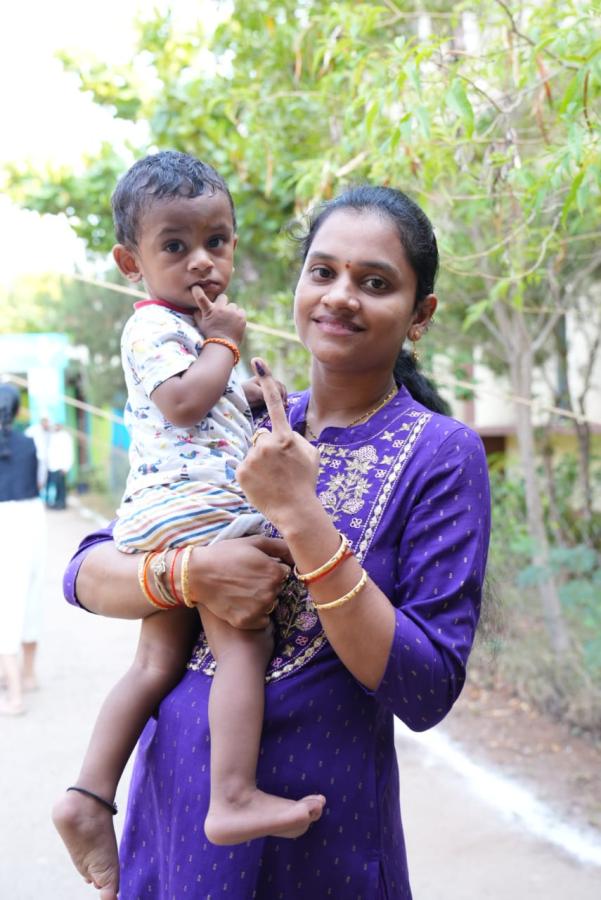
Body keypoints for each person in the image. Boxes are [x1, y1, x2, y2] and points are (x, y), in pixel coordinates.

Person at [57, 184, 491, 899]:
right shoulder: (237, 416)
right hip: (176, 810)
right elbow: (87, 571)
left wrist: (300, 513)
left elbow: (425, 688)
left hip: (322, 837)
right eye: (322, 272)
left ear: (420, 316)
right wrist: (191, 574)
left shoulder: (439, 453)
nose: (340, 296)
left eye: (374, 282)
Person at [53, 149, 325, 893]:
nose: (201, 261)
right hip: (193, 513)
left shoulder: (190, 330)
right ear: (130, 262)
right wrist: (227, 343)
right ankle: (231, 796)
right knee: (243, 639)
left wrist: (253, 383)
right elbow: (181, 403)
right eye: (175, 245)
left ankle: (87, 797)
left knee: (154, 664)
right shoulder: (152, 328)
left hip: (174, 511)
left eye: (217, 241)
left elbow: (223, 408)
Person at [0, 383, 46, 714]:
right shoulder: (31, 442)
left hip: (5, 520)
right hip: (32, 516)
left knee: (6, 603)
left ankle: (13, 694)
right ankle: (28, 675)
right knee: (31, 594)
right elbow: (40, 480)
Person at [46, 422, 75, 509]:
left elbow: (69, 452)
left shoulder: (65, 436)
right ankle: (55, 503)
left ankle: (62, 504)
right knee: (54, 486)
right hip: (52, 466)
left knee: (61, 487)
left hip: (61, 467)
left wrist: (66, 467)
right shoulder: (52, 436)